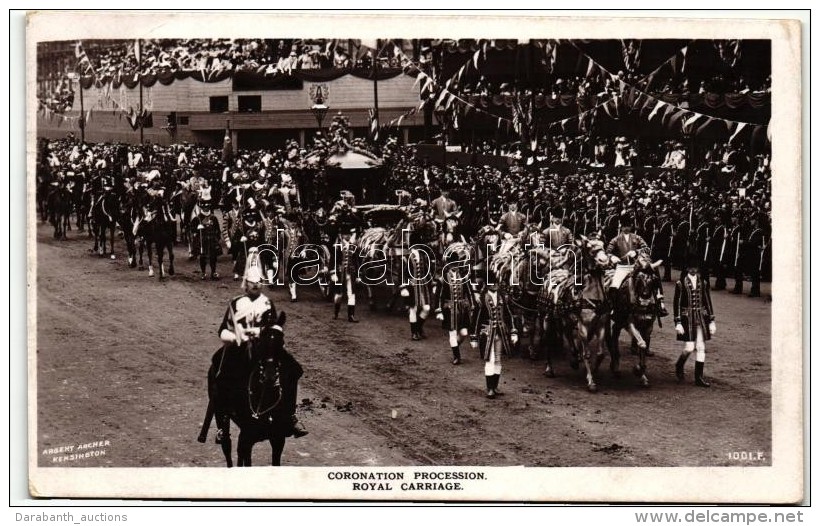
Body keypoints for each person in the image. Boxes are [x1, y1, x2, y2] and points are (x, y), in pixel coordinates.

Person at [216, 252, 308, 437]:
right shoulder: (236, 303)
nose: (256, 284)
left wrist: (264, 333)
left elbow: (274, 327)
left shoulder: (267, 303)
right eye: (252, 281)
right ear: (246, 283)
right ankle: (223, 421)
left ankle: (290, 415)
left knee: (294, 370)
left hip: (265, 346)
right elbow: (223, 331)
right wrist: (236, 337)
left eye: (259, 281)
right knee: (222, 375)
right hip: (241, 345)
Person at [606, 222, 669, 317]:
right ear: (621, 227)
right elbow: (608, 252)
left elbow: (647, 249)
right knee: (615, 285)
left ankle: (660, 304)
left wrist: (636, 252)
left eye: (628, 226)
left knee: (652, 278)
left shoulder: (637, 237)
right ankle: (614, 308)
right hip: (622, 267)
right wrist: (612, 257)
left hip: (636, 266)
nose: (626, 228)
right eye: (624, 226)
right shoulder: (615, 239)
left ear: (630, 226)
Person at [673, 254, 717, 387]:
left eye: (695, 268)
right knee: (689, 347)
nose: (693, 270)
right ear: (687, 268)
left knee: (701, 347)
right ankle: (679, 365)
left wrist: (711, 320)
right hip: (687, 319)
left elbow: (707, 302)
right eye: (691, 267)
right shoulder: (680, 284)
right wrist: (678, 322)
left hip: (701, 318)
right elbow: (677, 304)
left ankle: (699, 378)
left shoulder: (703, 283)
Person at [472, 272, 517, 399]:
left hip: (501, 332)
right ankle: (489, 388)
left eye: (496, 283)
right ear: (487, 285)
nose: (495, 286)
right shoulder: (482, 298)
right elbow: (476, 318)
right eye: (493, 284)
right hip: (487, 332)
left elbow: (509, 314)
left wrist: (513, 331)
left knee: (498, 358)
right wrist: (474, 336)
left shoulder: (503, 297)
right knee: (490, 359)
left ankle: (495, 386)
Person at [436, 250, 474, 365]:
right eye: (452, 264)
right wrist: (439, 310)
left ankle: (455, 347)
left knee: (464, 333)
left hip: (462, 309)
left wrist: (472, 305)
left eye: (456, 264)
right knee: (452, 333)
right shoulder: (443, 278)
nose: (455, 266)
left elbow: (469, 291)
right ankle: (457, 356)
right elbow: (439, 295)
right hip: (449, 309)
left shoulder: (463, 276)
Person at [190, 197, 222, 280]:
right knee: (203, 257)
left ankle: (213, 272)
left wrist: (217, 238)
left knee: (213, 257)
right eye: (204, 207)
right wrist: (197, 228)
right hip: (202, 240)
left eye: (207, 207)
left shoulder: (213, 218)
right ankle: (203, 272)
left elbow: (217, 229)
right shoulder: (197, 218)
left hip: (212, 240)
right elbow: (192, 229)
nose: (206, 209)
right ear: (201, 208)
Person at [332, 227, 359, 323]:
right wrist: (333, 273)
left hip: (351, 274)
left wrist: (358, 275)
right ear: (342, 235)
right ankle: (336, 312)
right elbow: (333, 260)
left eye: (349, 234)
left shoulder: (353, 246)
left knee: (351, 294)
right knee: (339, 295)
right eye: (346, 234)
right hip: (340, 273)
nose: (348, 236)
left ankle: (351, 316)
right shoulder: (338, 246)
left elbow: (357, 261)